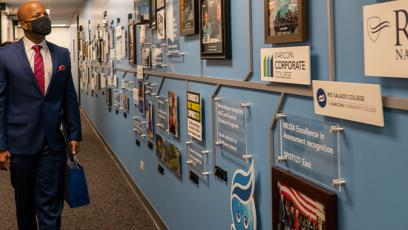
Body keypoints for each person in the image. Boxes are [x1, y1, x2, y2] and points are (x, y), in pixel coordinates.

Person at [0, 1, 82, 229]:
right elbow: (1, 103)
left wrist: (74, 132)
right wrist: (1, 146)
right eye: (38, 15)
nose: (44, 17)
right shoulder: (5, 56)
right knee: (24, 203)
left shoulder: (61, 54)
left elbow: (69, 97)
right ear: (24, 23)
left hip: (52, 142)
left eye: (45, 13)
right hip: (20, 143)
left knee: (51, 203)